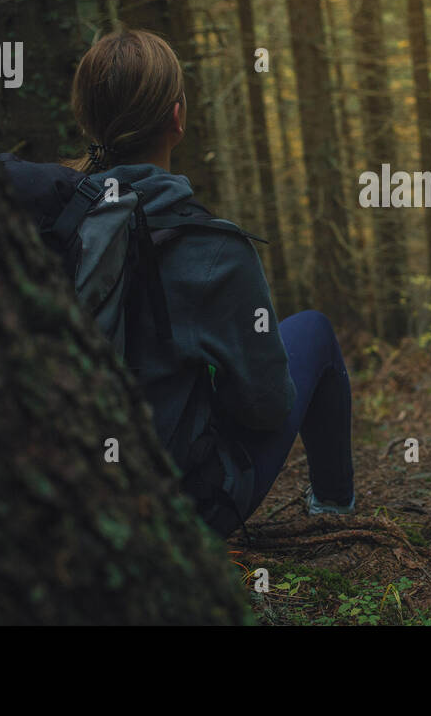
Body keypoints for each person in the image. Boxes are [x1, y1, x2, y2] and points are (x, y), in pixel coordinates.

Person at [65, 28, 354, 538]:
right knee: (313, 331)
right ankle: (333, 505)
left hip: (68, 497)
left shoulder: (50, 225)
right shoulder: (213, 249)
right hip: (182, 510)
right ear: (177, 118)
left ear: (86, 117)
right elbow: (268, 406)